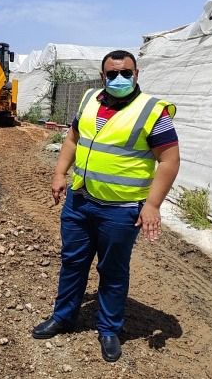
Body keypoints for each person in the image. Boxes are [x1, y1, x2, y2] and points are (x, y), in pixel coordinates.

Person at [32, 50, 180, 363]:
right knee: (73, 261)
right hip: (80, 200)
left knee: (112, 271)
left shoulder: (152, 110)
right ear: (103, 77)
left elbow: (169, 160)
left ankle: (109, 329)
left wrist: (152, 205)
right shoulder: (90, 99)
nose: (119, 78)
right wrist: (60, 173)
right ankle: (64, 317)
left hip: (121, 210)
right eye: (112, 74)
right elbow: (73, 138)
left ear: (137, 74)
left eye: (126, 72)